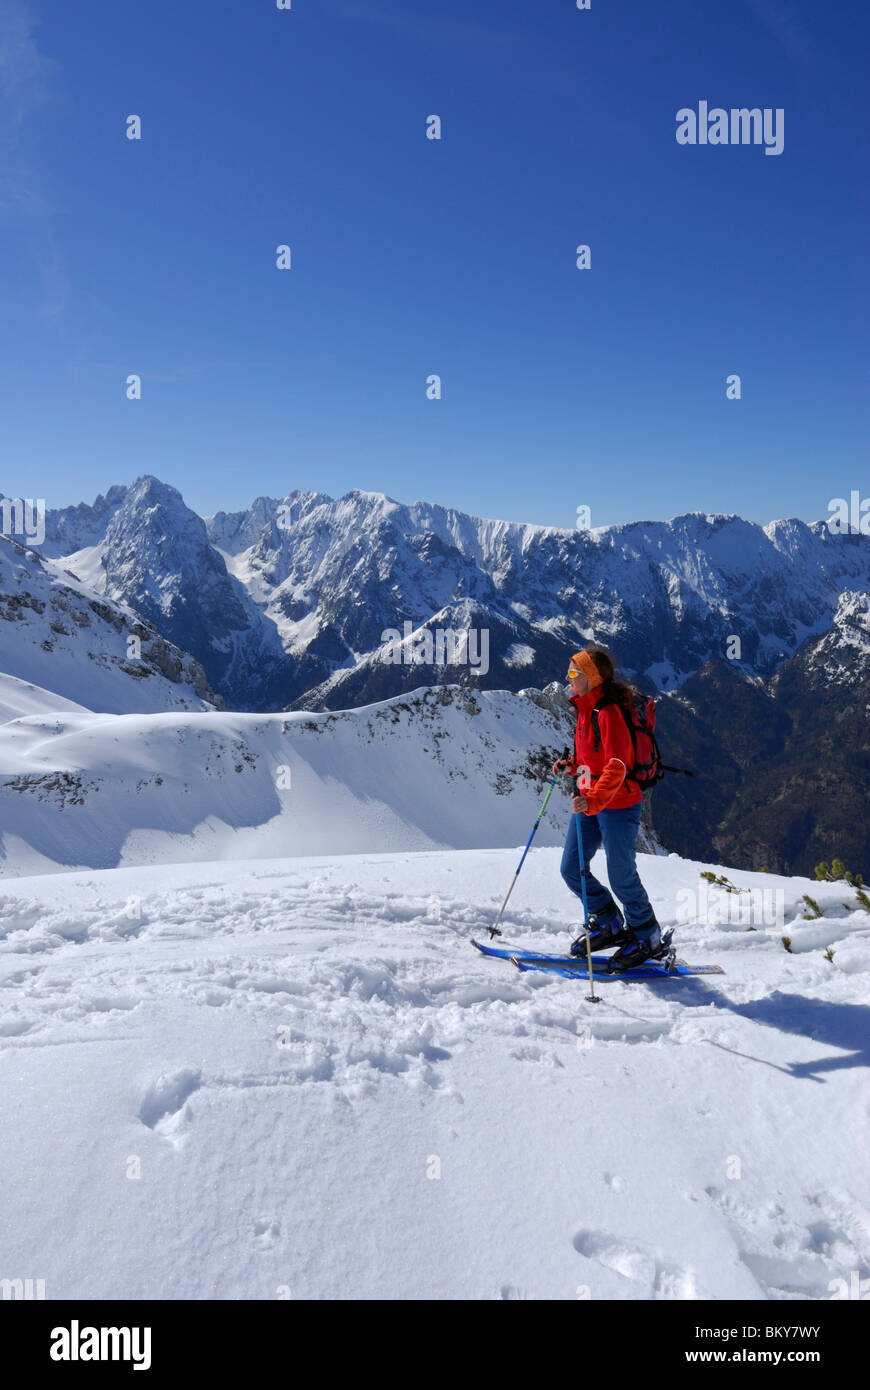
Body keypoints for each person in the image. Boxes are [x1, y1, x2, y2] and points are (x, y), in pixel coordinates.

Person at [552, 646, 663, 970]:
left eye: (573, 673)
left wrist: (595, 800)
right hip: (590, 801)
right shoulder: (584, 709)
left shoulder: (608, 712)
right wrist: (571, 765)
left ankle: (647, 936)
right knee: (571, 868)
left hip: (618, 805)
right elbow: (592, 756)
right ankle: (609, 921)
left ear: (590, 678)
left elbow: (618, 764)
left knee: (621, 874)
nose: (567, 678)